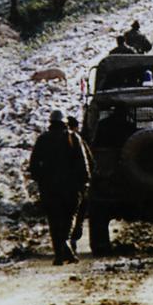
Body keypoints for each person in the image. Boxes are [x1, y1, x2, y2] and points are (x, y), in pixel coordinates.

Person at [28, 110, 90, 265]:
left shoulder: (43, 139)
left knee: (54, 220)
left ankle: (59, 254)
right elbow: (83, 163)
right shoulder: (73, 138)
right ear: (64, 123)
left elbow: (33, 164)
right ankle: (65, 245)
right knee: (69, 218)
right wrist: (85, 182)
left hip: (49, 188)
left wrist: (40, 179)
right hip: (71, 188)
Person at [66, 115, 94, 250]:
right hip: (76, 184)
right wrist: (87, 180)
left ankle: (63, 242)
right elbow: (89, 162)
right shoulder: (78, 140)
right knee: (78, 212)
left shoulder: (48, 139)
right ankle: (72, 238)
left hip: (56, 185)